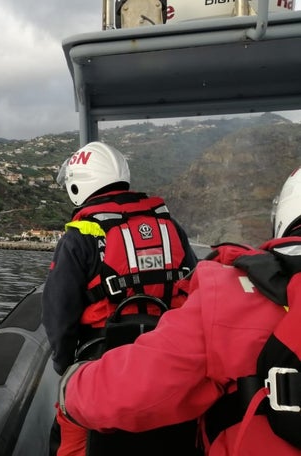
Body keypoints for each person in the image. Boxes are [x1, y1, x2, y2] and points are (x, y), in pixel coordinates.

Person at [58, 167, 301, 455]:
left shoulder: (230, 296)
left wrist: (67, 380)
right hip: (160, 328)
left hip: (112, 353)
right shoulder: (168, 224)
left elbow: (128, 390)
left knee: (72, 409)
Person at [43, 141, 198, 456]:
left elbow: (59, 312)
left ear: (78, 184)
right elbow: (196, 285)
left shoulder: (80, 237)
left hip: (105, 366)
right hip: (171, 361)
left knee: (70, 429)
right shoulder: (171, 227)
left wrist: (64, 363)